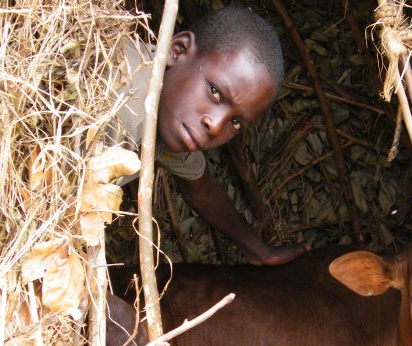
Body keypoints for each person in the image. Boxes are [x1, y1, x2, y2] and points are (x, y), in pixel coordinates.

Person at [109, 7, 306, 266]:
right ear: (178, 50)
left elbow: (201, 189)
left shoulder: (172, 120)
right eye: (215, 93)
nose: (215, 126)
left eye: (235, 122)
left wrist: (260, 250)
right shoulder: (120, 106)